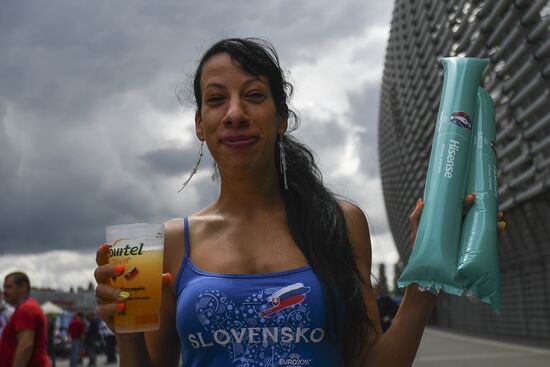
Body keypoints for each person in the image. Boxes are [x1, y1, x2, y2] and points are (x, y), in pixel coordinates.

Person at [94, 38, 506, 366]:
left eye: (254, 95)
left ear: (282, 117)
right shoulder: (172, 241)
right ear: (201, 124)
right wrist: (125, 331)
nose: (235, 113)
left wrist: (422, 286)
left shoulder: (339, 223)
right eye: (217, 99)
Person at [0, 271, 51, 367]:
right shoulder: (25, 308)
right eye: (4, 287)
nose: (4, 291)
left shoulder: (26, 309)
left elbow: (26, 346)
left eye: (9, 287)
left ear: (23, 287)